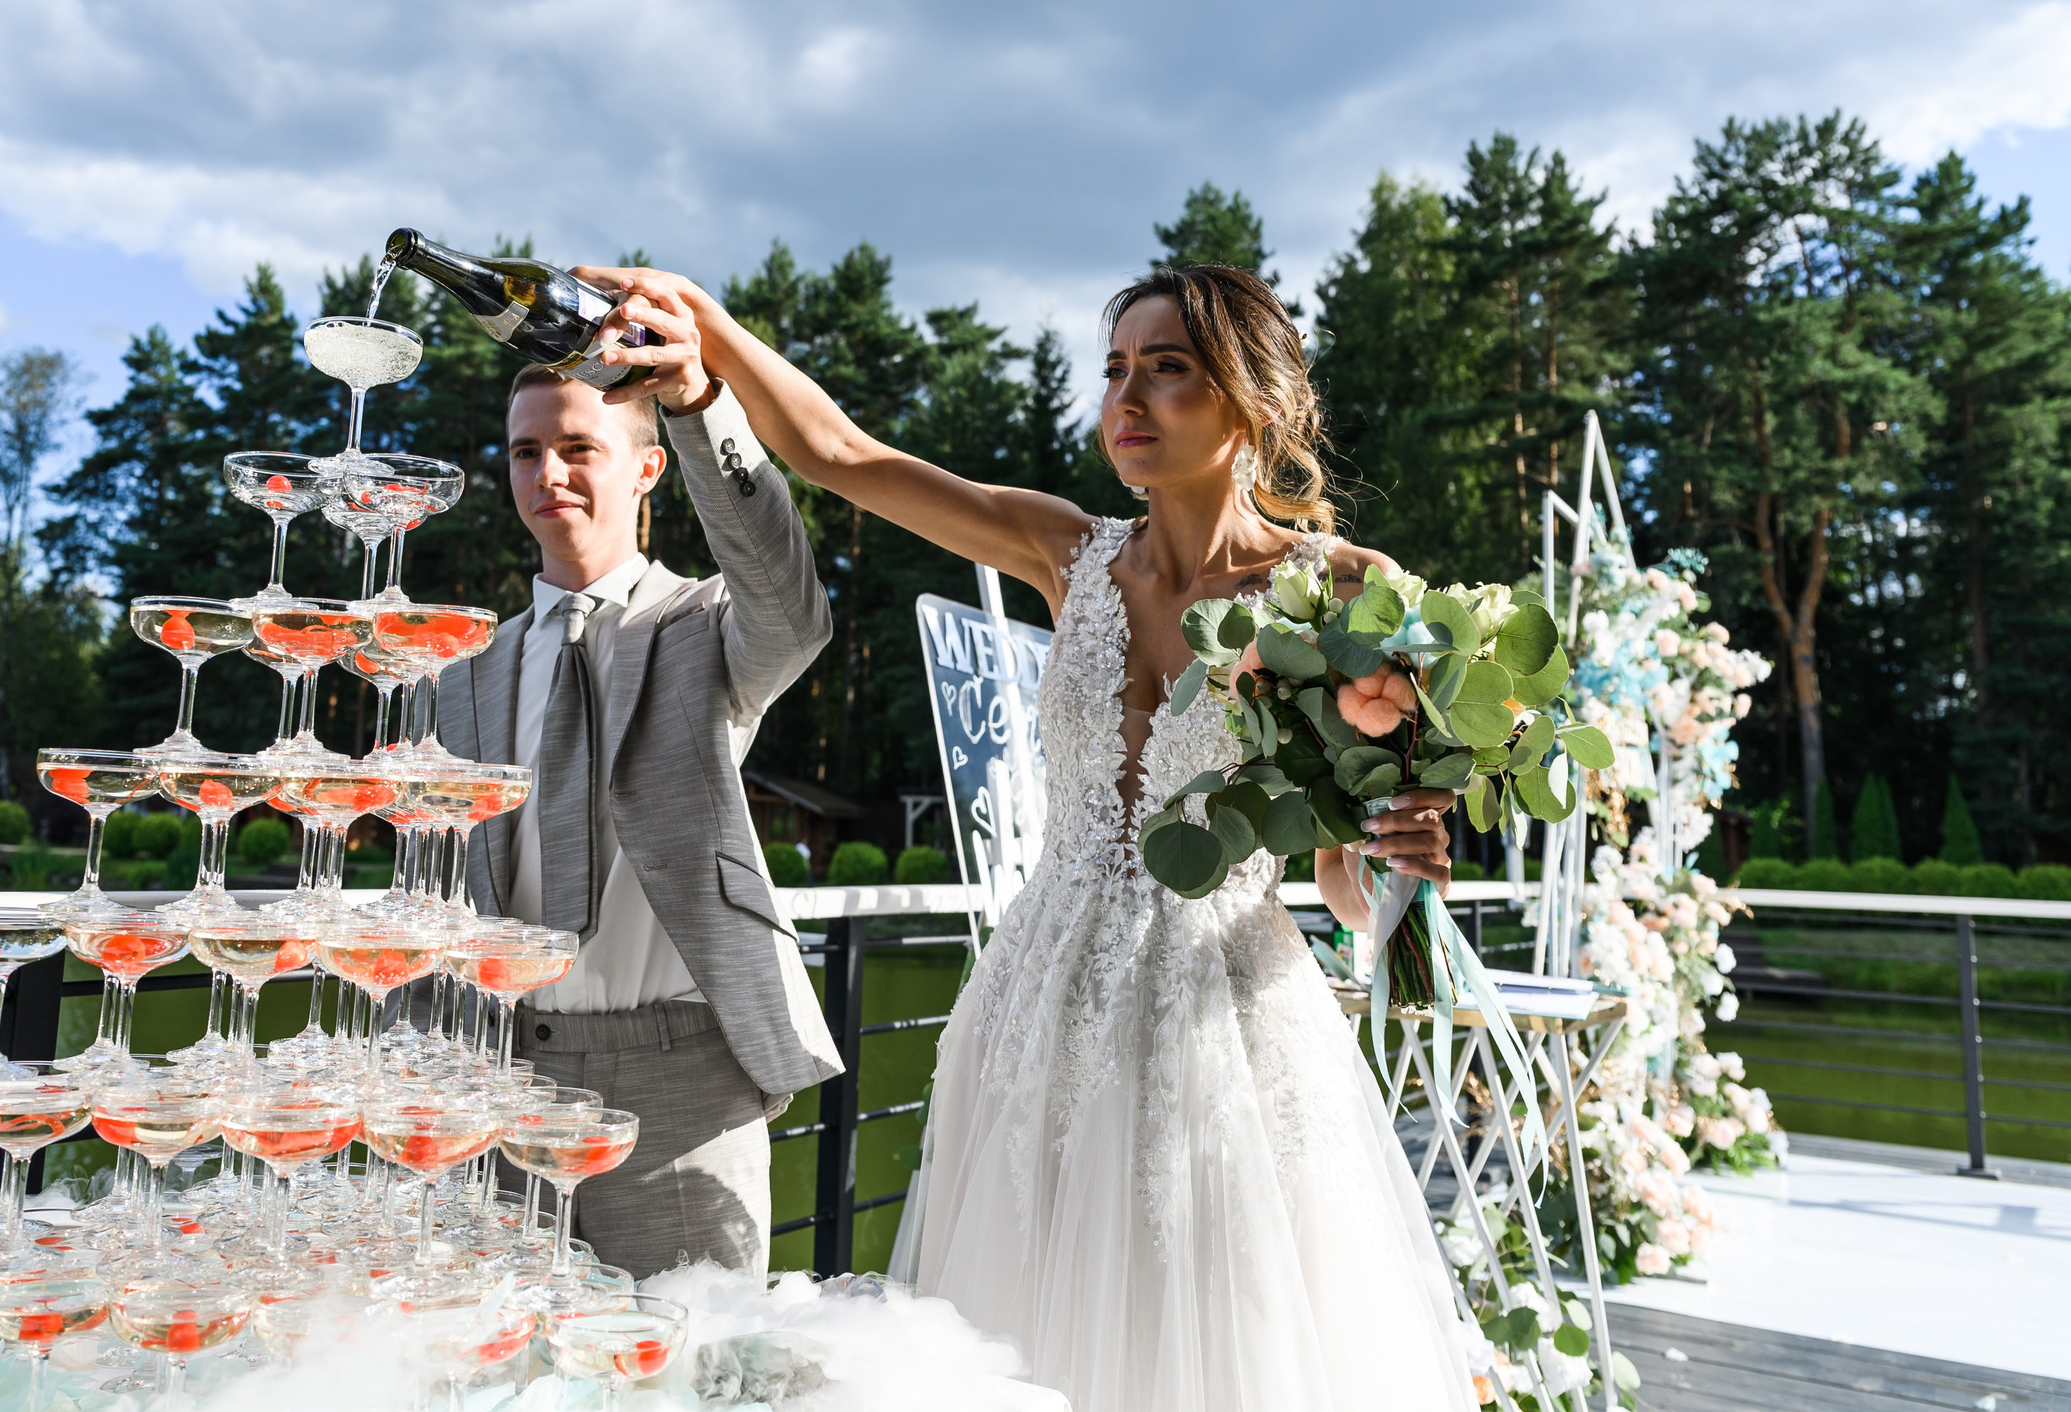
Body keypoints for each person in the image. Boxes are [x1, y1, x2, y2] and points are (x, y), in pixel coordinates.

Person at [581, 260, 1478, 1411]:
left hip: (1220, 1023)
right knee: (1021, 1341)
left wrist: (1399, 864)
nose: (1126, 399)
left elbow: (1345, 888)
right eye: (1115, 369)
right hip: (1037, 1008)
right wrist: (707, 322)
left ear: (1249, 398)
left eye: (1167, 368)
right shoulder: (1068, 551)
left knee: (1217, 1338)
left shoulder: (1349, 592)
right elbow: (843, 455)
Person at [434, 349, 842, 1279]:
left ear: (648, 466)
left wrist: (699, 405)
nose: (548, 473)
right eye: (526, 451)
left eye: (579, 447)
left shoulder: (705, 624)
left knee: (690, 1350)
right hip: (499, 1081)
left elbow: (793, 609)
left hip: (681, 1088)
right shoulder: (463, 671)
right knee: (505, 1350)